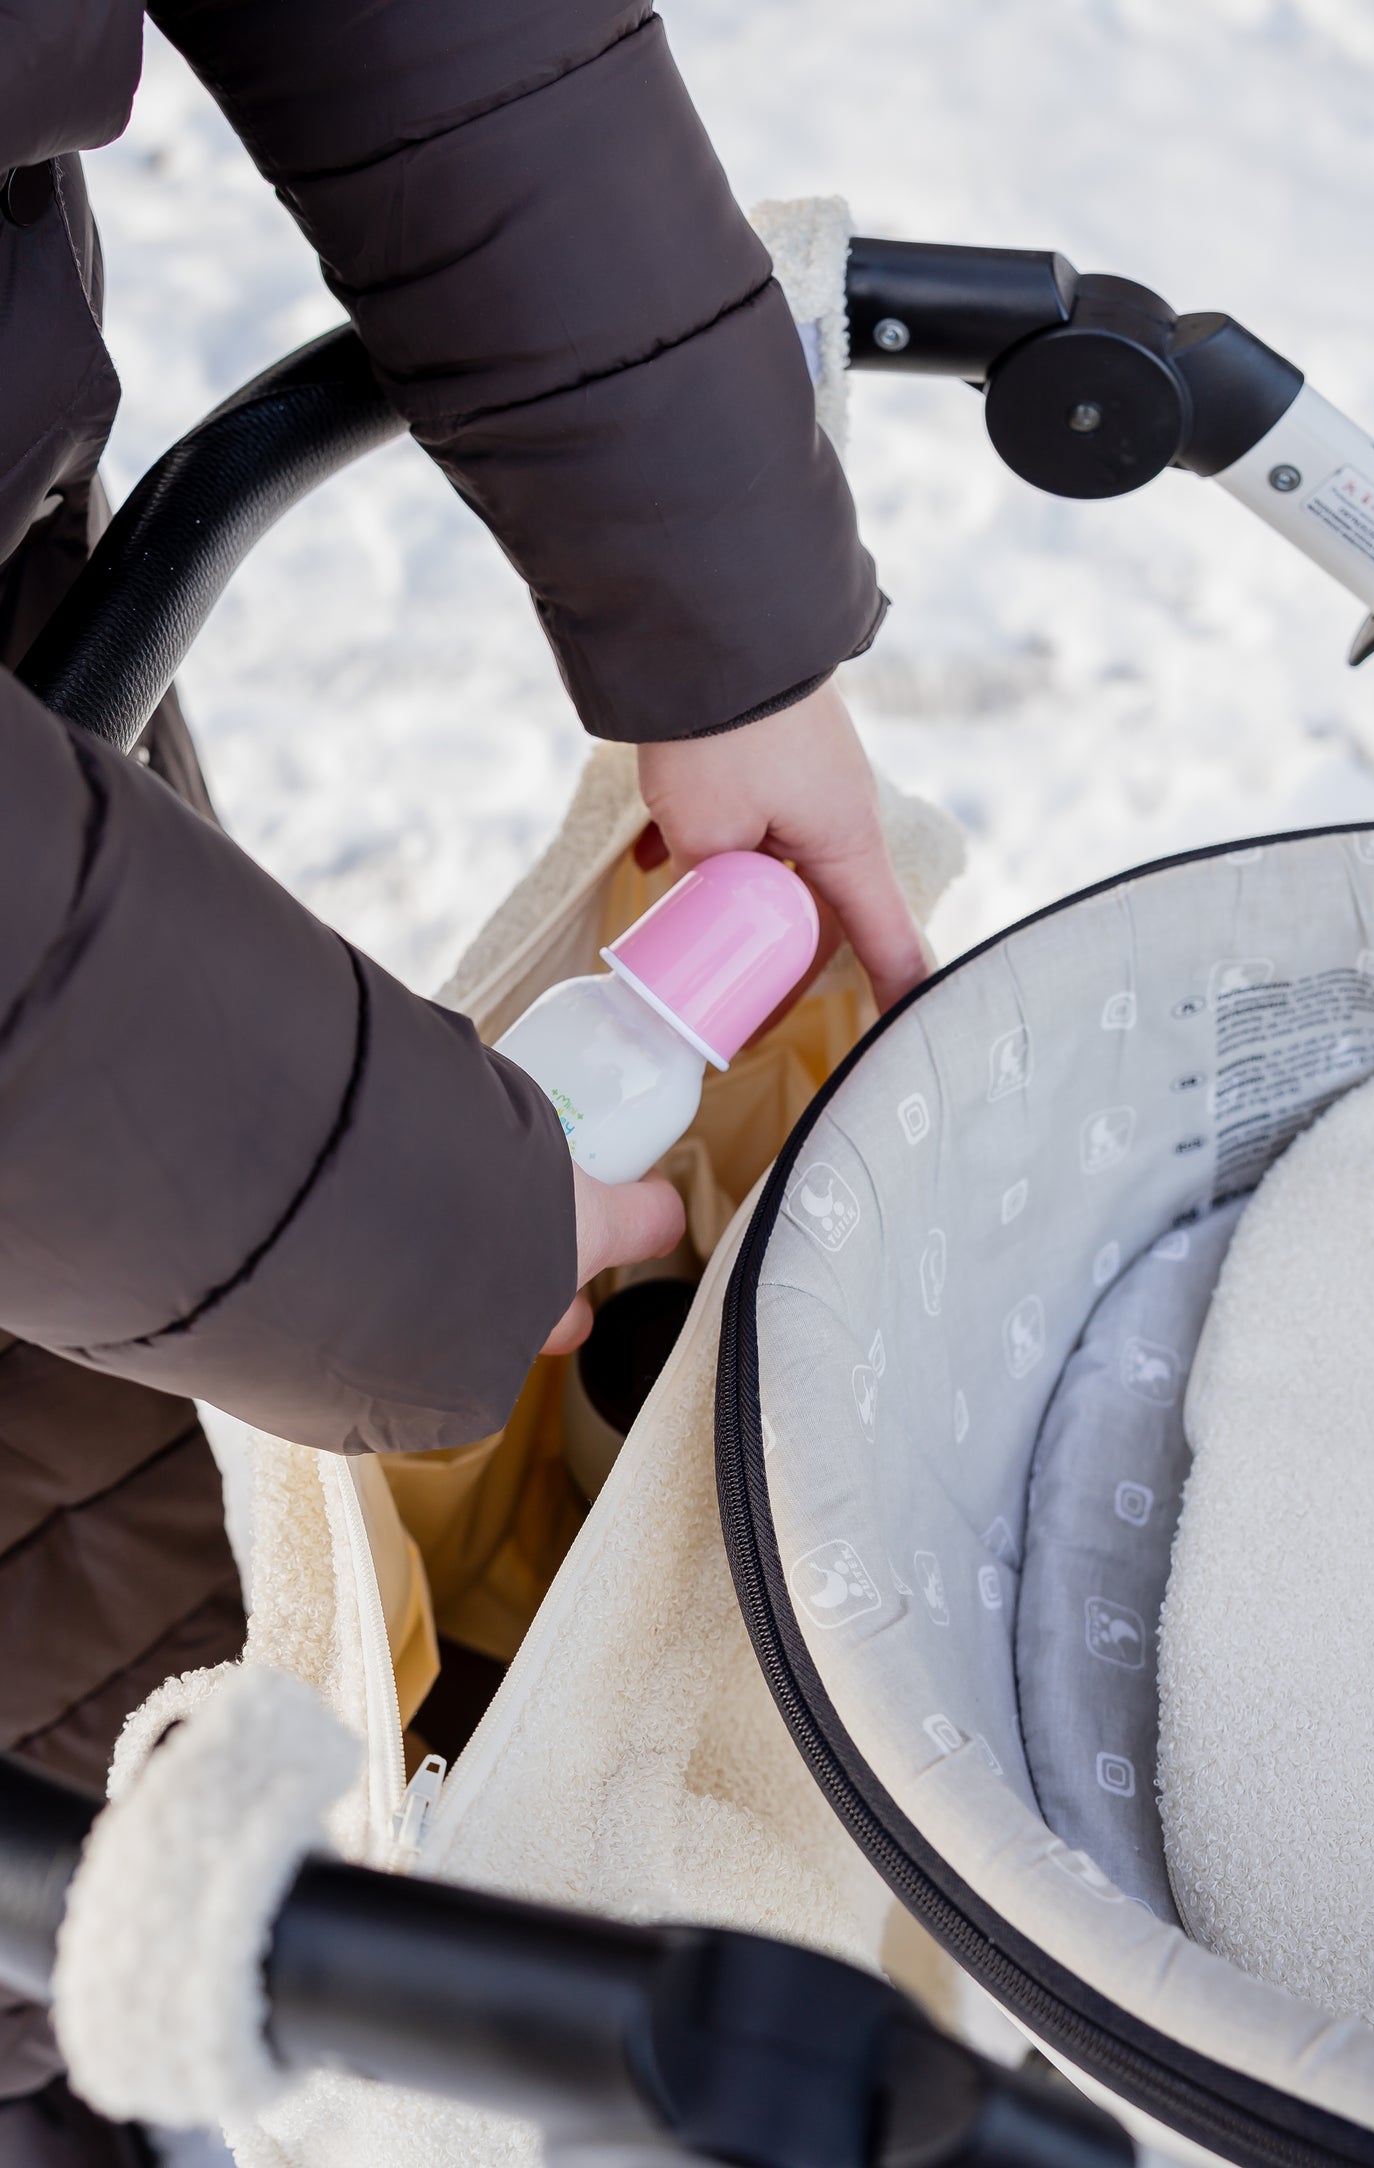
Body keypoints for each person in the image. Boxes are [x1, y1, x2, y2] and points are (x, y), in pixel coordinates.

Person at [0, 2, 926, 2156]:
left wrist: (724, 610)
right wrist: (380, 1217)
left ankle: (110, 2019)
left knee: (140, 1540)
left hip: (55, 786)